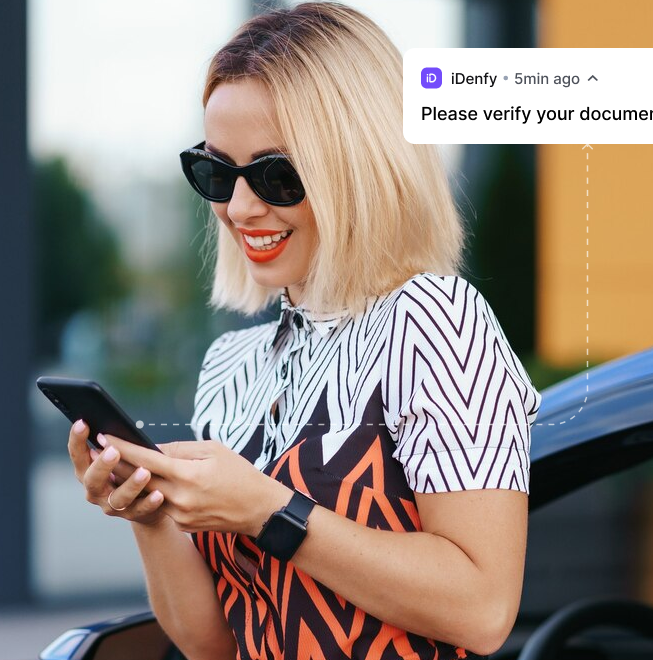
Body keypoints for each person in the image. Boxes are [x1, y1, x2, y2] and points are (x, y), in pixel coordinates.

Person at [67, 3, 542, 659]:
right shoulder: (231, 363)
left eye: (276, 175)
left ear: (361, 164)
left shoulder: (434, 320)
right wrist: (146, 512)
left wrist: (266, 509)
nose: (238, 207)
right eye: (216, 171)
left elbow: (483, 609)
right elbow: (215, 645)